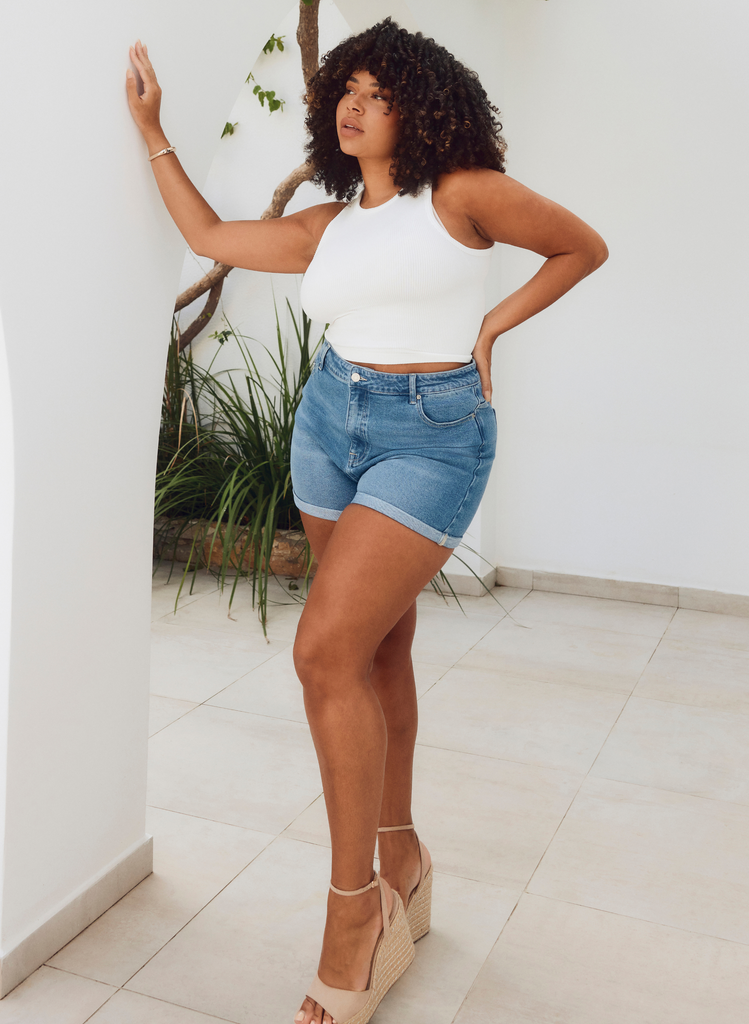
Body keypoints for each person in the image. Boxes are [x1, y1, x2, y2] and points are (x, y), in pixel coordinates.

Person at [127, 18, 607, 1024]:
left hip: (430, 435)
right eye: (343, 86)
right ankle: (402, 857)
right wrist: (153, 129)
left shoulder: (462, 193)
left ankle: (357, 918)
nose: (351, 103)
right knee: (377, 649)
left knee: (322, 653)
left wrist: (489, 324)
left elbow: (579, 245)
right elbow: (209, 238)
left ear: (420, 106)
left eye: (376, 89)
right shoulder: (327, 223)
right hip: (327, 424)